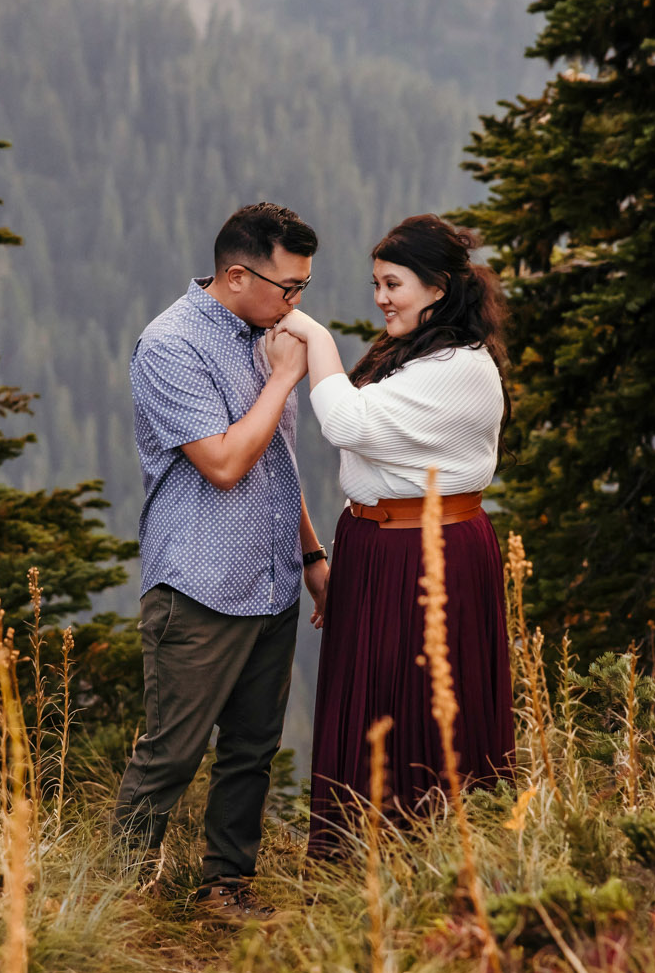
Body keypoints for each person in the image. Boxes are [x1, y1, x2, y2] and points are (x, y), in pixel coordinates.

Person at [113, 201, 332, 921]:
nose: (295, 304)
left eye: (302, 288)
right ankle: (113, 897)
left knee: (251, 748)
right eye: (287, 288)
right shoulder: (171, 345)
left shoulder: (260, 333)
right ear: (237, 276)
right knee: (171, 754)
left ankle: (224, 889)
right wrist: (281, 382)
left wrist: (310, 554)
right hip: (200, 585)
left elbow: (278, 459)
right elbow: (226, 464)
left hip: (271, 582)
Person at [275, 213, 514, 860]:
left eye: (393, 284)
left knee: (418, 698)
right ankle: (360, 857)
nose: (380, 298)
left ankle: (421, 855)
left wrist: (308, 331)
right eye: (376, 283)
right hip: (384, 548)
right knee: (380, 694)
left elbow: (348, 424)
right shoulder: (422, 355)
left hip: (426, 551)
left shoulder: (461, 368)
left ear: (436, 288)